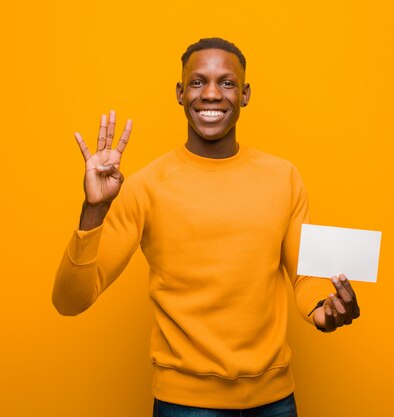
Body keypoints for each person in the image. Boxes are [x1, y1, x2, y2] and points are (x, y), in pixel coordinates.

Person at [53, 37, 360, 417]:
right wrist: (93, 210)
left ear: (245, 94)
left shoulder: (284, 177)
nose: (211, 94)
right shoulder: (146, 186)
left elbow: (304, 277)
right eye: (198, 82)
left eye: (226, 83)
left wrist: (323, 309)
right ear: (180, 94)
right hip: (184, 406)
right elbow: (70, 301)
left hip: (275, 402)